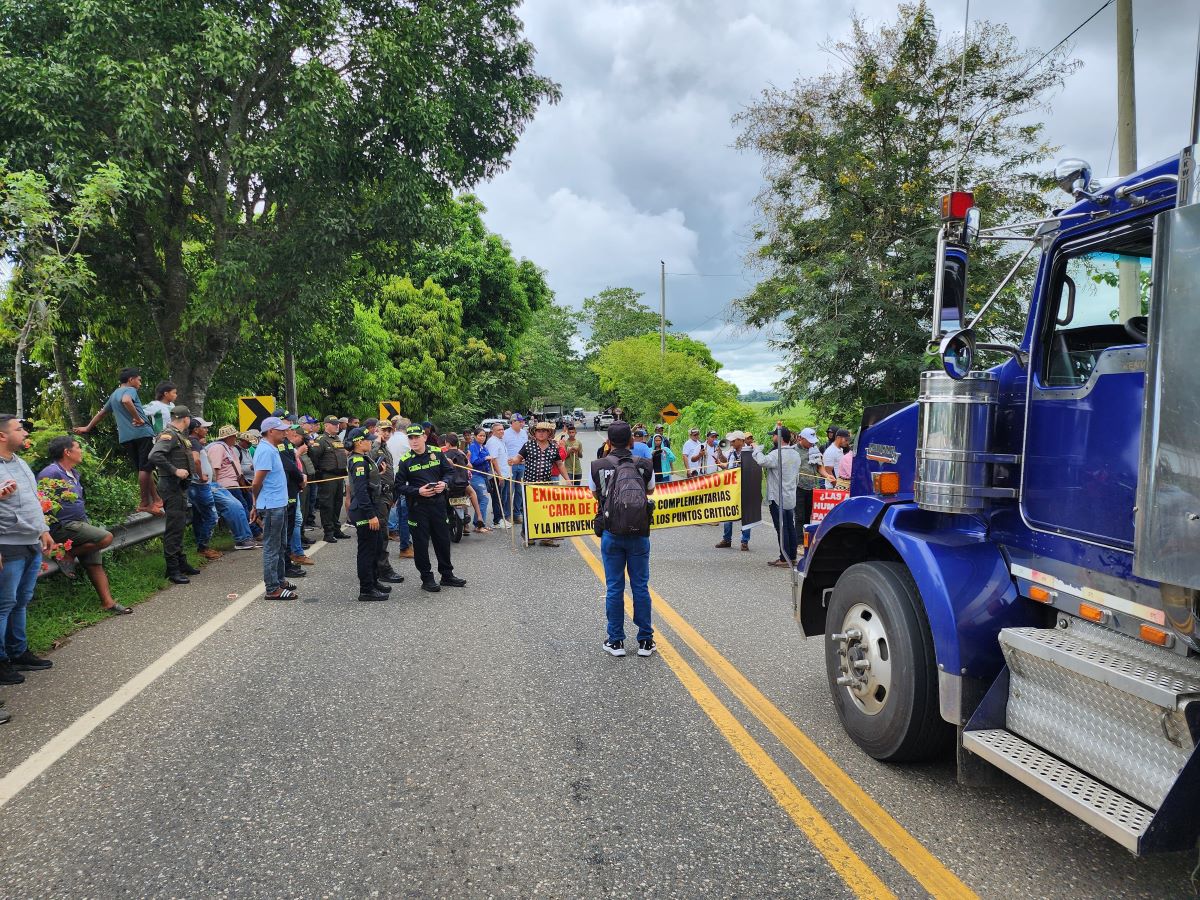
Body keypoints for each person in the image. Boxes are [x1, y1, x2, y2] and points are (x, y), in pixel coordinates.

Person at [39, 435, 131, 614]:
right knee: (106, 537)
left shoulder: (73, 474)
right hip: (62, 526)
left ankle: (108, 603)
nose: (81, 451)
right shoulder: (50, 473)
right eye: (77, 447)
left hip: (80, 524)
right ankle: (67, 555)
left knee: (94, 563)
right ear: (67, 452)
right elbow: (40, 503)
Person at [0, 415, 57, 692]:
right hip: (6, 544)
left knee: (21, 600)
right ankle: (1, 661)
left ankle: (18, 652)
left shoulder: (20, 463)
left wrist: (43, 530)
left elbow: (33, 500)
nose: (24, 433)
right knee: (3, 604)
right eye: (19, 429)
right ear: (1, 435)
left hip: (31, 541)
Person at [590, 422, 655, 658]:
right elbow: (650, 491)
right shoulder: (645, 464)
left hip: (611, 532)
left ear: (608, 441)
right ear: (631, 441)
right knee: (640, 586)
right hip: (639, 533)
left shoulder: (598, 465)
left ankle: (616, 640)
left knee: (615, 587)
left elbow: (595, 493)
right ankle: (645, 641)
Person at [74, 367, 162, 516]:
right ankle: (145, 503)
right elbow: (126, 400)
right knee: (146, 469)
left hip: (126, 437)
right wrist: (138, 418)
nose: (140, 383)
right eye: (139, 380)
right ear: (131, 380)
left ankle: (156, 499)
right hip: (142, 433)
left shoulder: (113, 395)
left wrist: (87, 428)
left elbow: (101, 414)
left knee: (143, 469)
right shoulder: (130, 391)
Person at [395, 425, 466, 593]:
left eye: (417, 437)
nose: (414, 441)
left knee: (442, 540)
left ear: (424, 437)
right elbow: (398, 486)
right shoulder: (405, 460)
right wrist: (417, 491)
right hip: (418, 508)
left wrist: (444, 483)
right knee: (420, 545)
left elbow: (449, 472)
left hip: (438, 505)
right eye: (410, 438)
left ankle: (447, 575)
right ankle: (426, 578)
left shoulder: (436, 452)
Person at [146, 406, 201, 584]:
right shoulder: (168, 435)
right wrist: (175, 470)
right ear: (185, 419)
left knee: (179, 526)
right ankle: (173, 569)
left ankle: (181, 562)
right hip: (171, 485)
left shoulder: (178, 435)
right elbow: (154, 455)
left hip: (178, 487)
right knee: (173, 528)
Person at [249, 417, 297, 600]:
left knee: (281, 544)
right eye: (281, 430)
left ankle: (279, 579)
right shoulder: (265, 451)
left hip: (279, 503)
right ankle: (272, 588)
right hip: (271, 506)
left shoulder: (272, 448)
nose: (285, 432)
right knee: (272, 547)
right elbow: (256, 482)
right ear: (270, 431)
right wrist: (255, 503)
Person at [345, 427, 391, 601]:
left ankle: (373, 581)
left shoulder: (363, 459)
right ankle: (366, 589)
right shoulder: (358, 461)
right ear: (358, 442)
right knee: (367, 551)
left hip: (370, 507)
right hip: (365, 511)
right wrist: (371, 515)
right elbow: (362, 492)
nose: (370, 441)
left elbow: (367, 481)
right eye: (367, 439)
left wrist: (377, 474)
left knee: (375, 547)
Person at [202, 424, 258, 551]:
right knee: (239, 510)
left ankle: (247, 536)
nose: (235, 439)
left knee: (243, 508)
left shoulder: (228, 448)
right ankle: (244, 537)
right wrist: (216, 487)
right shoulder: (218, 448)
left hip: (234, 484)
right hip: (225, 485)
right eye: (234, 436)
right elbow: (215, 469)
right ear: (229, 437)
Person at [754, 426, 801, 568]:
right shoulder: (795, 454)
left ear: (779, 438)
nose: (772, 438)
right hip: (790, 495)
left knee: (781, 528)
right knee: (790, 527)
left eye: (773, 436)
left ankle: (784, 558)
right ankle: (791, 557)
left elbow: (762, 461)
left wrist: (757, 448)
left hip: (777, 496)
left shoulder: (776, 454)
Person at [516, 421, 565, 547]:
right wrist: (513, 461)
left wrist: (568, 479)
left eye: (544, 431)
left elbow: (559, 464)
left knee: (545, 511)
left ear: (549, 433)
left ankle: (546, 538)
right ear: (535, 433)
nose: (541, 433)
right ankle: (528, 536)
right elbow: (519, 458)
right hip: (529, 485)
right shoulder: (528, 445)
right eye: (539, 431)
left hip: (546, 485)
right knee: (528, 510)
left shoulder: (553, 447)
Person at [367, 424, 405, 584]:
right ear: (376, 431)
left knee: (383, 532)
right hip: (379, 495)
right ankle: (383, 569)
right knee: (382, 534)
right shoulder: (374, 446)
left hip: (388, 493)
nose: (387, 433)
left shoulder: (386, 448)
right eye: (383, 430)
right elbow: (369, 459)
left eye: (389, 430)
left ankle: (378, 568)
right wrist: (376, 441)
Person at [186, 415, 224, 562]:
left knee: (200, 516)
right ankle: (203, 547)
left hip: (198, 485)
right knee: (212, 517)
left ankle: (202, 545)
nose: (207, 430)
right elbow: (196, 460)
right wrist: (201, 476)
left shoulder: (192, 441)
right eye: (204, 427)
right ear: (196, 429)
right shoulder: (194, 442)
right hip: (200, 485)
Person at [310, 416, 351, 543]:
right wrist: (320, 473)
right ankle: (328, 532)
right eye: (333, 424)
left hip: (339, 476)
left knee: (337, 503)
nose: (337, 426)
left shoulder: (337, 438)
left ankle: (336, 529)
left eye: (337, 424)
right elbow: (314, 458)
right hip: (327, 476)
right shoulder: (321, 440)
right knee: (327, 504)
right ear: (326, 425)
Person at [715, 430, 752, 551]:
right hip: (731, 488)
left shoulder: (749, 452)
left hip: (745, 487)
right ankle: (727, 539)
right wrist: (720, 463)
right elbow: (729, 466)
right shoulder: (732, 452)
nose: (731, 442)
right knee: (728, 512)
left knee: (746, 515)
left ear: (741, 441)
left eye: (733, 440)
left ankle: (744, 541)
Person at [485, 422, 513, 529]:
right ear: (493, 432)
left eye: (502, 429)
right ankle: (497, 521)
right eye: (499, 430)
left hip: (505, 474)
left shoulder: (500, 440)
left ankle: (502, 518)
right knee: (498, 498)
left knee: (504, 498)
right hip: (498, 475)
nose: (502, 431)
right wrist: (499, 475)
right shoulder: (492, 442)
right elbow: (493, 459)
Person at [502, 414, 527, 524]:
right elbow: (503, 450)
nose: (522, 423)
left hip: (522, 464)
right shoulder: (505, 434)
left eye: (522, 421)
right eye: (519, 421)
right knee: (509, 491)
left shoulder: (524, 433)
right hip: (510, 465)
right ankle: (507, 514)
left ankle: (517, 513)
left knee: (519, 490)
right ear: (513, 422)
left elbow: (526, 448)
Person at [796, 427, 822, 527]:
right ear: (801, 438)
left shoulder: (815, 449)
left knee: (808, 516)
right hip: (799, 487)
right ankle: (799, 541)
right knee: (799, 516)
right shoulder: (794, 450)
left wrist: (828, 476)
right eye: (809, 441)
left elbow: (820, 467)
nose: (812, 443)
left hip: (812, 487)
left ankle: (806, 539)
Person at [468, 428, 494, 528]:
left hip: (483, 476)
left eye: (484, 436)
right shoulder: (473, 447)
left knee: (481, 499)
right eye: (480, 435)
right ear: (475, 436)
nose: (482, 437)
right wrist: (485, 458)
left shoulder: (483, 447)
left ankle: (479, 523)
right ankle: (479, 525)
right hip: (476, 476)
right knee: (484, 499)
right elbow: (474, 462)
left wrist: (489, 459)